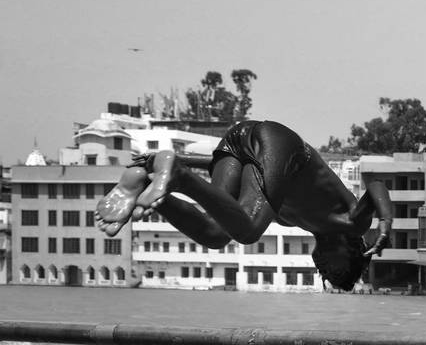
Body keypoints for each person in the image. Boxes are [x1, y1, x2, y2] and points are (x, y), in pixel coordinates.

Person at [95, 120, 394, 291]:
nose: (324, 272)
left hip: (238, 143)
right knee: (249, 230)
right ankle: (178, 176)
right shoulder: (352, 222)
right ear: (353, 254)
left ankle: (146, 184)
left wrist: (184, 159)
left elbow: (251, 171)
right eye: (336, 273)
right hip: (282, 145)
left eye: (326, 277)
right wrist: (385, 221)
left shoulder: (291, 220)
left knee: (216, 233)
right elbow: (377, 187)